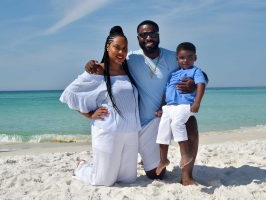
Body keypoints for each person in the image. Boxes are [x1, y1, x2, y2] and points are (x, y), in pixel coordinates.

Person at [85, 20, 200, 185]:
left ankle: (187, 176)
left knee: (190, 122)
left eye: (152, 33)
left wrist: (193, 85)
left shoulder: (173, 58)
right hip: (142, 125)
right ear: (138, 38)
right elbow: (110, 63)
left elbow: (196, 75)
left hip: (166, 114)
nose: (148, 37)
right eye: (143, 34)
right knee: (156, 176)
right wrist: (92, 65)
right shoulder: (131, 58)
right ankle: (148, 158)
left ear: (158, 35)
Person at [60, 26, 141, 186]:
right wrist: (89, 115)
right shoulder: (98, 71)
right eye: (117, 47)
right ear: (107, 47)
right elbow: (69, 94)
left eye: (124, 48)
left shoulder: (128, 69)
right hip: (107, 132)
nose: (121, 52)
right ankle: (81, 167)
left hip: (131, 132)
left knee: (128, 179)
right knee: (103, 181)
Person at [155, 42, 207, 176]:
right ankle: (163, 159)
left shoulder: (196, 71)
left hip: (184, 105)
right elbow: (166, 91)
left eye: (190, 57)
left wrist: (197, 103)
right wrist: (161, 107)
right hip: (169, 106)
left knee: (177, 124)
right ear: (177, 59)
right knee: (163, 130)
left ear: (195, 58)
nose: (186, 61)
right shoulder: (173, 74)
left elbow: (201, 84)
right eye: (182, 58)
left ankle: (185, 154)